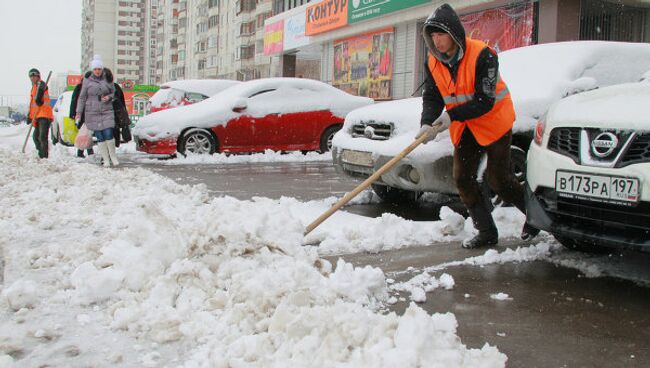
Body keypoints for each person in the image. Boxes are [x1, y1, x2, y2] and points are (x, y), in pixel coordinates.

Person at [415, 3, 539, 249]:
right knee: (462, 178)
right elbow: (432, 96)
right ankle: (486, 231)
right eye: (433, 35)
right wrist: (426, 123)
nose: (437, 41)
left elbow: (484, 100)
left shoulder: (484, 55)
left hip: (494, 122)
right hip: (465, 127)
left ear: (454, 33)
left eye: (442, 34)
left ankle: (536, 217)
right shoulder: (434, 62)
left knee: (499, 180)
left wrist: (450, 117)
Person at [75, 55, 119, 167]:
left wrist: (109, 97)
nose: (97, 71)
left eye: (99, 69)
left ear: (102, 69)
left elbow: (114, 93)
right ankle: (106, 159)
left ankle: (113, 156)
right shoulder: (87, 81)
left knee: (108, 133)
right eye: (95, 69)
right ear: (92, 70)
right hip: (92, 112)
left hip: (106, 110)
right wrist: (78, 113)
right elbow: (82, 98)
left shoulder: (108, 78)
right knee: (100, 136)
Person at [27, 68, 54, 158]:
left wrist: (40, 96)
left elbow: (43, 87)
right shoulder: (33, 88)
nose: (32, 78)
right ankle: (41, 153)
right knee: (35, 137)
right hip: (38, 115)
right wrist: (29, 116)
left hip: (44, 115)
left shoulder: (41, 84)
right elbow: (32, 104)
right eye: (31, 76)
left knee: (42, 137)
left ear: (38, 76)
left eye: (34, 76)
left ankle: (44, 157)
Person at [70, 71, 94, 158]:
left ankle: (86, 152)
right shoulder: (80, 87)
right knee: (84, 133)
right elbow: (74, 101)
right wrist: (73, 114)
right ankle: (83, 152)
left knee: (88, 134)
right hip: (82, 115)